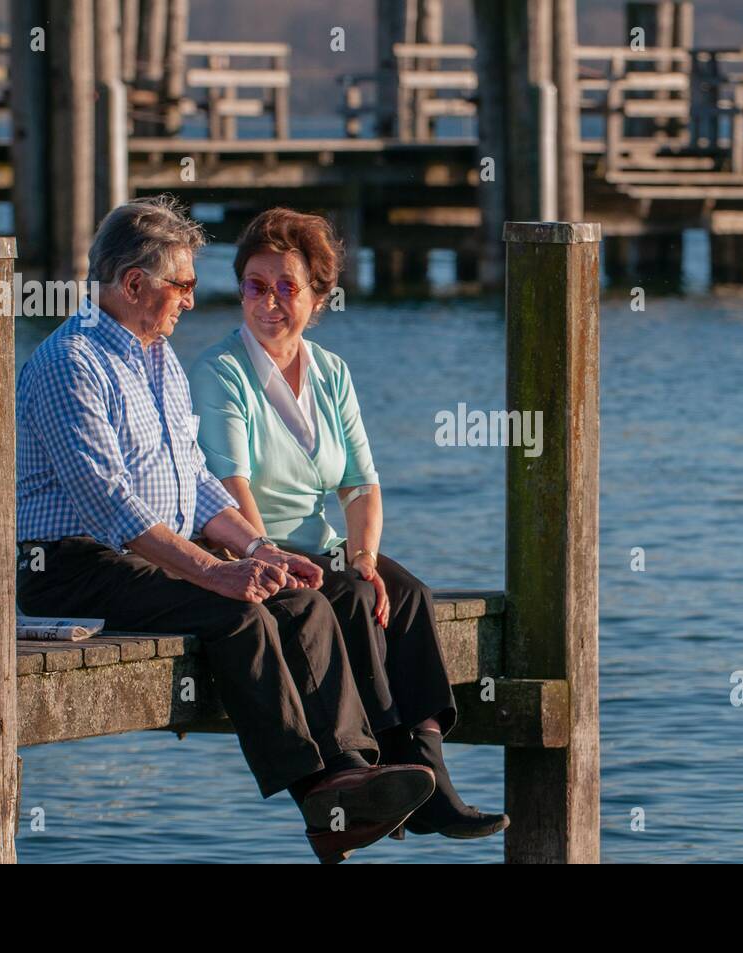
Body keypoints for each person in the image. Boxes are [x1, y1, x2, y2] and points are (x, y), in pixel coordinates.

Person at [14, 195, 436, 864]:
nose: (190, 299)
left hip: (142, 555)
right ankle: (318, 796)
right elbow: (110, 505)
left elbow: (199, 485)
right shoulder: (72, 363)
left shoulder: (159, 362)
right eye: (181, 283)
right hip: (69, 565)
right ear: (133, 284)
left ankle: (352, 772)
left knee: (298, 596)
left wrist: (259, 548)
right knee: (236, 611)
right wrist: (216, 570)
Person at [188, 207, 507, 840]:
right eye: (256, 285)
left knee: (405, 593)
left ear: (318, 296)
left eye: (287, 287)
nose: (270, 301)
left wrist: (362, 554)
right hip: (253, 551)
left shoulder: (331, 372)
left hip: (322, 546)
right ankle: (389, 773)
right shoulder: (220, 372)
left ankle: (430, 774)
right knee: (360, 599)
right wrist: (266, 557)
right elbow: (230, 485)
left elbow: (360, 483)